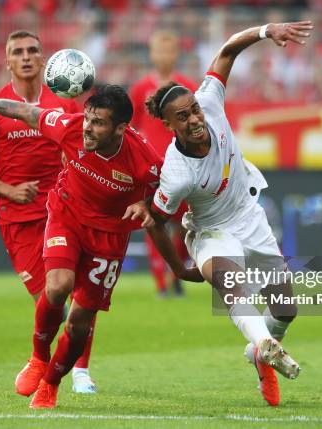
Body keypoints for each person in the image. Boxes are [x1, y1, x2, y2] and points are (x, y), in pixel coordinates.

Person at [0, 82, 202, 409]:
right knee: (58, 287)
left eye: (98, 122)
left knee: (79, 323)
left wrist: (171, 254)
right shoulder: (71, 128)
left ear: (120, 129)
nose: (88, 127)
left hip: (110, 237)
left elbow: (162, 211)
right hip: (66, 215)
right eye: (88, 118)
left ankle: (51, 383)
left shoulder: (147, 163)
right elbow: (25, 112)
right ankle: (37, 358)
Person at [145, 21, 314, 407]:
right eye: (183, 118)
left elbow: (227, 52)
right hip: (210, 231)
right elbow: (156, 221)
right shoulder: (176, 175)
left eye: (194, 111)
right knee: (229, 281)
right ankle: (263, 344)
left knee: (286, 308)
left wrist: (268, 30)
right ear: (169, 125)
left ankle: (263, 350)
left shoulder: (210, 102)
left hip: (247, 217)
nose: (195, 120)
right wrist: (176, 266)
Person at [0, 30, 96, 395]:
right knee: (51, 301)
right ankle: (49, 362)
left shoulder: (62, 102)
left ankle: (79, 371)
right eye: (17, 52)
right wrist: (9, 190)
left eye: (33, 50)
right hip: (18, 217)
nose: (25, 56)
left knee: (80, 293)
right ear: (7, 61)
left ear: (44, 58)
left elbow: (80, 151)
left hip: (64, 211)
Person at [130, 30, 198, 298]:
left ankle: (176, 272)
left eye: (169, 51)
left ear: (176, 54)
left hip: (182, 164)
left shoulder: (185, 86)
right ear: (152, 54)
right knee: (153, 221)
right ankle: (161, 282)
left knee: (184, 224)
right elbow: (131, 128)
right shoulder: (140, 89)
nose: (164, 56)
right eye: (159, 51)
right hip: (151, 168)